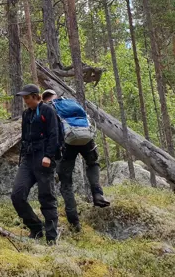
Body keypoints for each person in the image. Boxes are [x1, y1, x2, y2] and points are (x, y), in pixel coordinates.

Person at [45, 89, 110, 232]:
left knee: (66, 183)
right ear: (56, 96)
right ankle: (97, 193)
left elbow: (50, 132)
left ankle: (74, 222)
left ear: (45, 99)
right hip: (86, 138)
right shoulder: (70, 103)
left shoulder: (48, 107)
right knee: (93, 163)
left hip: (68, 142)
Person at [11, 84, 62, 244]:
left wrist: (48, 156)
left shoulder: (48, 110)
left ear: (35, 96)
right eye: (24, 98)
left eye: (27, 97)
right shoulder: (26, 114)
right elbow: (24, 137)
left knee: (46, 197)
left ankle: (51, 237)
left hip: (44, 158)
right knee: (17, 195)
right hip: (28, 158)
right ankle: (36, 228)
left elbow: (54, 134)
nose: (25, 101)